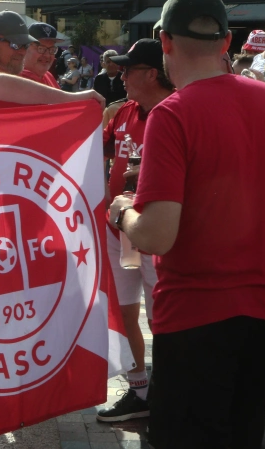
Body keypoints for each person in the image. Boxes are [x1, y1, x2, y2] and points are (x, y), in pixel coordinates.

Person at [109, 0, 265, 448]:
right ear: (226, 42)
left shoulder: (172, 114)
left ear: (165, 41)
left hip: (195, 314)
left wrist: (124, 212)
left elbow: (157, 235)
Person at [96, 39, 172, 423]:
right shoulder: (124, 111)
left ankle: (169, 391)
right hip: (121, 232)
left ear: (152, 73)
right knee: (126, 310)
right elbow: (101, 151)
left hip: (157, 233)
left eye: (128, 70)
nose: (121, 76)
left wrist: (146, 173)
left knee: (163, 319)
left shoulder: (175, 111)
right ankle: (139, 388)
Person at [21, 22, 63, 88]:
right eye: (41, 48)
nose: (47, 55)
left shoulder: (48, 76)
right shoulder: (17, 79)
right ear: (24, 48)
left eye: (52, 49)